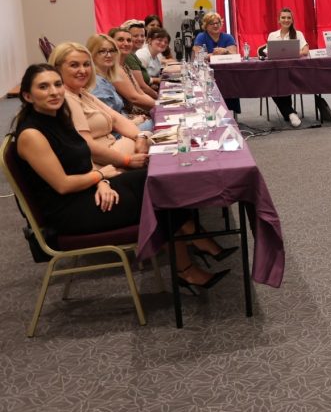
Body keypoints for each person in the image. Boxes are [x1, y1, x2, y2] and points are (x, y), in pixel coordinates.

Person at [10, 64, 230, 291]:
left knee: (157, 179)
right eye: (43, 87)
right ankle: (186, 267)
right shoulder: (32, 135)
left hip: (86, 191)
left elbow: (80, 163)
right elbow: (63, 185)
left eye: (57, 85)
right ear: (27, 96)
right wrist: (100, 175)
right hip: (68, 211)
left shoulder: (58, 118)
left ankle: (191, 243)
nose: (54, 92)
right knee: (156, 197)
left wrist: (102, 181)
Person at [49, 41, 150, 170]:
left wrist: (140, 137)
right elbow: (87, 147)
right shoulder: (66, 98)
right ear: (57, 69)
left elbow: (116, 119)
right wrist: (127, 160)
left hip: (116, 151)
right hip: (104, 167)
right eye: (74, 65)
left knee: (149, 137)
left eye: (86, 64)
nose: (83, 70)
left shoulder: (81, 92)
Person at [87, 33, 152, 131]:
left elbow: (140, 92)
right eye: (102, 51)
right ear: (92, 54)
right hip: (117, 132)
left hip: (124, 122)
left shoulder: (107, 77)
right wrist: (134, 121)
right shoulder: (97, 82)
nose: (109, 55)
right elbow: (107, 121)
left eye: (111, 51)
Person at [267, 7, 308, 127]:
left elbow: (305, 51)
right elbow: (268, 53)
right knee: (269, 84)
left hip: (293, 71)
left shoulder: (298, 34)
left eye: (289, 18)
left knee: (282, 81)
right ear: (279, 20)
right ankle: (291, 113)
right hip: (277, 70)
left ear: (292, 20)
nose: (286, 20)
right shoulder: (272, 35)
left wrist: (293, 53)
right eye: (283, 17)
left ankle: (289, 113)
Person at [194, 12, 241, 115]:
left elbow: (234, 54)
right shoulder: (201, 37)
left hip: (227, 74)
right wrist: (214, 54)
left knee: (230, 82)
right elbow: (198, 56)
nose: (215, 25)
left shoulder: (228, 37)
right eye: (212, 23)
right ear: (206, 25)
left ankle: (230, 113)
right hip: (207, 74)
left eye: (217, 23)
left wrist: (225, 51)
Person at [109, 27, 158, 108]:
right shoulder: (114, 68)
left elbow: (140, 92)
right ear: (111, 43)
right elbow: (135, 98)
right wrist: (160, 105)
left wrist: (160, 103)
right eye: (121, 40)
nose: (126, 43)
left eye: (129, 40)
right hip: (129, 113)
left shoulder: (125, 66)